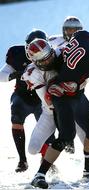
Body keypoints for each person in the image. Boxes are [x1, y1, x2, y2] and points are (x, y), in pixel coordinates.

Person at [25, 25, 89, 188]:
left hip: (75, 92)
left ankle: (88, 172)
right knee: (66, 136)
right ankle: (39, 175)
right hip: (62, 93)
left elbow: (69, 55)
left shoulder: (83, 34)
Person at [49, 15, 89, 168]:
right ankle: (46, 169)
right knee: (55, 136)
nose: (71, 32)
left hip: (75, 93)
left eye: (74, 29)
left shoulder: (80, 40)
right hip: (56, 93)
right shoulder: (54, 42)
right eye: (68, 29)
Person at [0, 29, 53, 172]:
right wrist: (15, 75)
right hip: (22, 96)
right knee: (16, 116)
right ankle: (22, 160)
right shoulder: (17, 55)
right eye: (32, 47)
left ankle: (47, 160)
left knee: (47, 131)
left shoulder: (52, 55)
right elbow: (2, 75)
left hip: (41, 98)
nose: (36, 51)